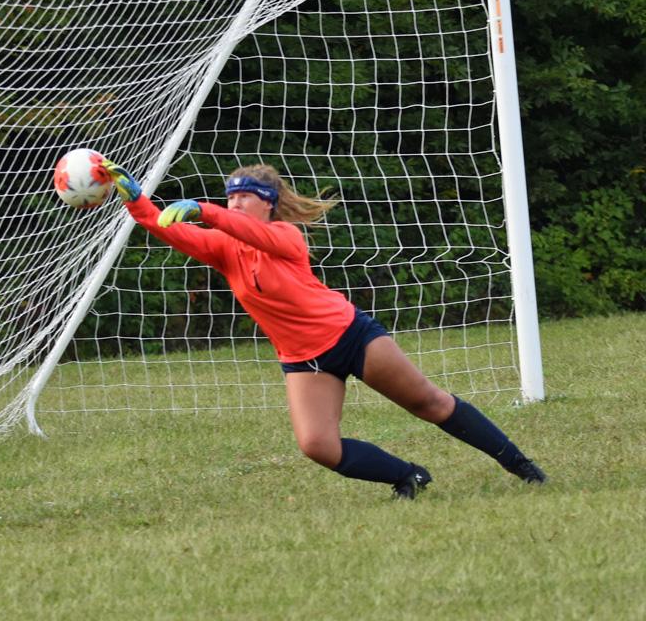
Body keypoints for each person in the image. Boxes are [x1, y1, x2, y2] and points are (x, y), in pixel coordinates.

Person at [101, 158, 547, 499]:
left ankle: (521, 466)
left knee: (429, 403)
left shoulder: (286, 235)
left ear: (268, 203)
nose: (234, 204)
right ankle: (408, 476)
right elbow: (165, 227)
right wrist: (135, 200)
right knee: (318, 445)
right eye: (229, 197)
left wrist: (206, 210)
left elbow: (249, 232)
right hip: (303, 360)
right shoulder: (224, 246)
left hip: (350, 336)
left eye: (244, 197)